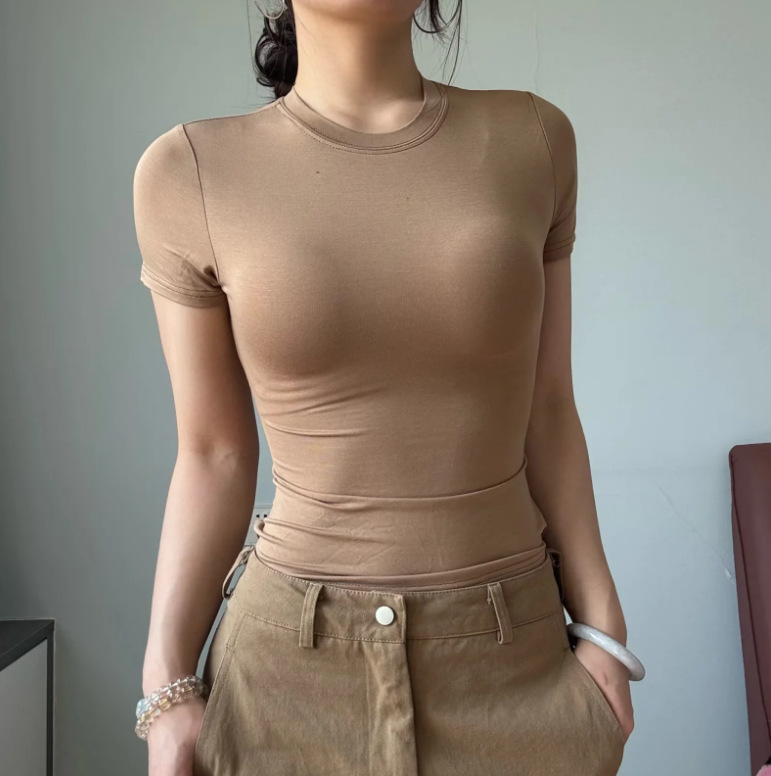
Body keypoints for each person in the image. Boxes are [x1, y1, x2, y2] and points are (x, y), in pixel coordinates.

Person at [132, 1, 642, 774]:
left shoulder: (534, 139)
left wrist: (604, 633)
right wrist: (166, 691)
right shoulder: (188, 170)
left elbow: (548, 411)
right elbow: (212, 454)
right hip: (284, 682)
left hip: (515, 668)